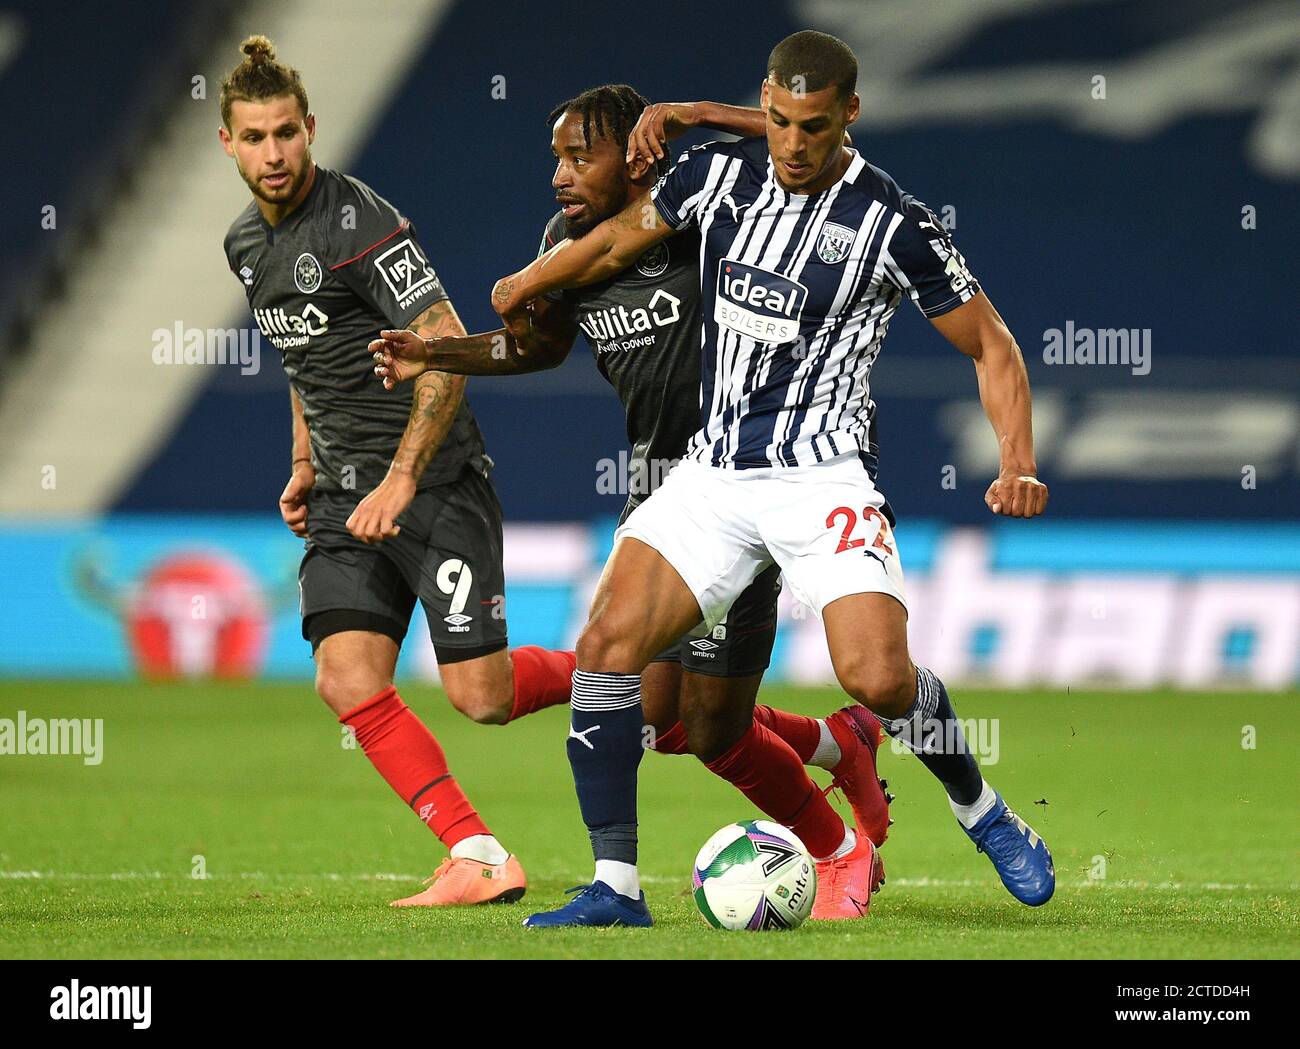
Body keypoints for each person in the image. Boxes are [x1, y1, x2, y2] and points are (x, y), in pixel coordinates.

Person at [484, 30, 1056, 927]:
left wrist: (1016, 461)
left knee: (876, 677)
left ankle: (981, 809)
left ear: (850, 117)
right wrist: (529, 278)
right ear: (765, 103)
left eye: (814, 128)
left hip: (823, 478)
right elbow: (608, 247)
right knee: (606, 647)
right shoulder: (720, 175)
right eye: (780, 121)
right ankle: (617, 888)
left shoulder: (892, 223)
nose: (793, 144)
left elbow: (992, 344)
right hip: (714, 473)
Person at [371, 85, 893, 925]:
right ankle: (837, 745)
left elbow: (813, 153)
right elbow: (533, 346)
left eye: (580, 156)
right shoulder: (563, 246)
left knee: (711, 728)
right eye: (555, 157)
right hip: (661, 489)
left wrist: (700, 113)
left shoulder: (705, 213)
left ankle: (836, 847)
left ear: (635, 157)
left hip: (744, 478)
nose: (559, 175)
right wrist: (436, 349)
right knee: (661, 716)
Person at [218, 35, 579, 907]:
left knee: (482, 696)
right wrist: (306, 463)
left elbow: (448, 351)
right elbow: (304, 360)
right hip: (345, 495)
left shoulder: (358, 224)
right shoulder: (243, 244)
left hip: (435, 484)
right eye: (254, 139)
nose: (273, 155)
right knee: (345, 675)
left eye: (285, 135)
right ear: (226, 144)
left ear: (310, 128)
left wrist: (403, 479)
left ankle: (626, 672)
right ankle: (479, 853)